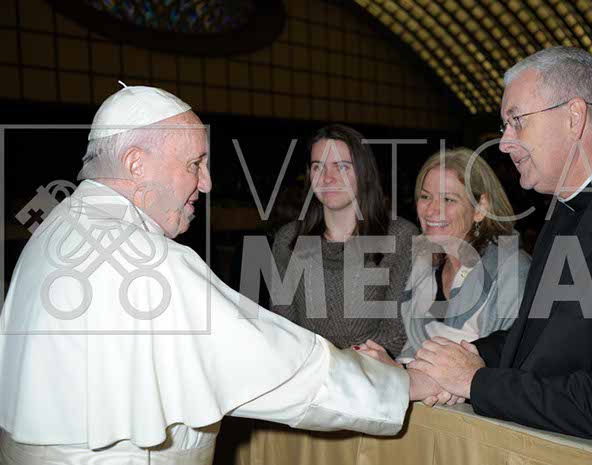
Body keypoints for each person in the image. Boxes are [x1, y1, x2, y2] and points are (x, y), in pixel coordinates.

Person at [0, 85, 446, 464]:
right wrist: (404, 383)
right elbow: (280, 367)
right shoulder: (147, 260)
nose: (207, 183)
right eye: (194, 164)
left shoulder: (56, 229)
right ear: (136, 164)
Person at [397, 46, 592, 443]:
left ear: (574, 117)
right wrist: (456, 362)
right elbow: (535, 340)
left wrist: (474, 381)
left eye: (516, 121)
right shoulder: (568, 206)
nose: (504, 143)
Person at [270, 124, 417, 357]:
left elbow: (396, 333)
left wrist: (342, 367)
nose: (328, 178)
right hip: (308, 373)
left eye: (342, 167)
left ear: (364, 173)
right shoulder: (288, 241)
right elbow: (283, 328)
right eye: (318, 167)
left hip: (373, 373)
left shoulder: (401, 237)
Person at [397, 148, 530, 362]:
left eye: (448, 199)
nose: (431, 210)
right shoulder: (423, 264)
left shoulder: (511, 270)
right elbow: (411, 347)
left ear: (480, 208)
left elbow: (514, 358)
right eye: (425, 196)